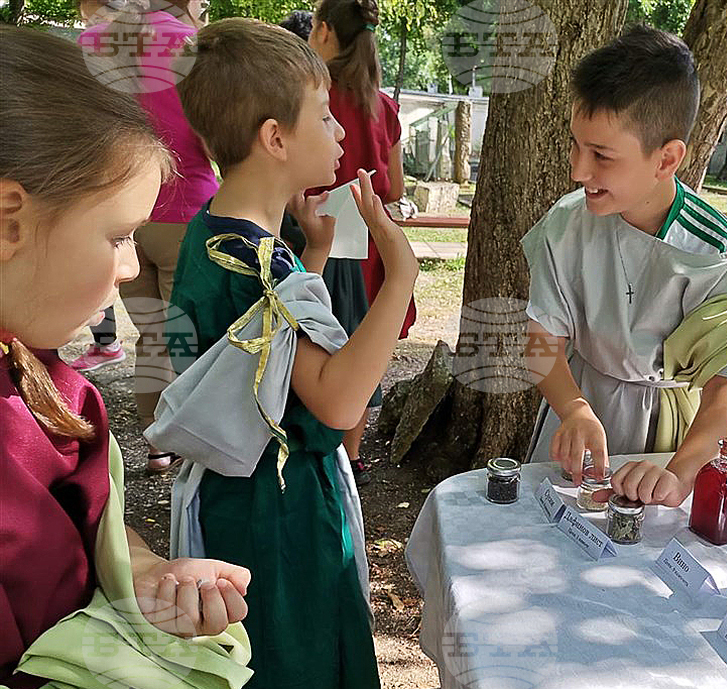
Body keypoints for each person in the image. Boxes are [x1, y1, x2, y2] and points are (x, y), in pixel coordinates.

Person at [168, 18, 417, 687]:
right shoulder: (257, 268)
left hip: (233, 490)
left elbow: (273, 362)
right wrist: (401, 280)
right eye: (323, 117)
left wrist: (310, 252)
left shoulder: (213, 234)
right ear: (275, 138)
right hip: (276, 513)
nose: (339, 132)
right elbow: (335, 399)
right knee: (292, 658)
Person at [0, 25, 251, 688]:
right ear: (8, 221)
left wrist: (142, 572)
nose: (131, 265)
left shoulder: (46, 384)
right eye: (116, 235)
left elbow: (90, 533)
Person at [522, 25, 727, 506]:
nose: (579, 170)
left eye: (601, 155)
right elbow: (541, 340)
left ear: (667, 159)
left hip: (666, 434)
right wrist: (573, 408)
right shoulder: (566, 223)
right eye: (575, 145)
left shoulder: (712, 251)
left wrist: (680, 472)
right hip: (578, 404)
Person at [78, 0, 217, 474]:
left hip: (122, 213)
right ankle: (194, 439)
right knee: (188, 332)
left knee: (152, 335)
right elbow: (209, 130)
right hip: (189, 206)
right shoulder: (187, 43)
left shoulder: (91, 44)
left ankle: (156, 442)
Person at [308, 0, 415, 485]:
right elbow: (391, 185)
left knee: (316, 338)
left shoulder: (314, 96)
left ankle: (318, 447)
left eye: (313, 23)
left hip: (316, 235)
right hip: (371, 244)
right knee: (366, 340)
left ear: (326, 30)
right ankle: (352, 457)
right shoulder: (383, 105)